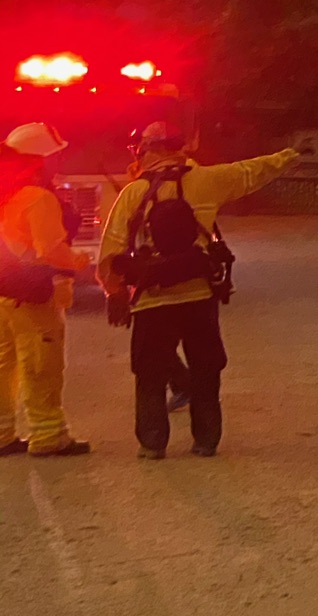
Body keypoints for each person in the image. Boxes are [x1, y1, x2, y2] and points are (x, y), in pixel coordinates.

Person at [98, 123, 300, 460]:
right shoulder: (208, 180)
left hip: (151, 301)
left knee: (150, 375)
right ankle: (206, 441)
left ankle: (152, 444)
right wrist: (290, 155)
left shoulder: (133, 193)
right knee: (206, 370)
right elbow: (251, 171)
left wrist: (114, 293)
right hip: (198, 297)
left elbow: (111, 251)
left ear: (150, 149)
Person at [0, 123, 92, 457]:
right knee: (41, 365)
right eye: (55, 155)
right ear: (39, 160)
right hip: (34, 294)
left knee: (4, 365)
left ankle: (2, 434)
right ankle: (48, 435)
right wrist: (80, 261)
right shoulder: (37, 199)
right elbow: (50, 251)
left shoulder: (6, 193)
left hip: (4, 294)